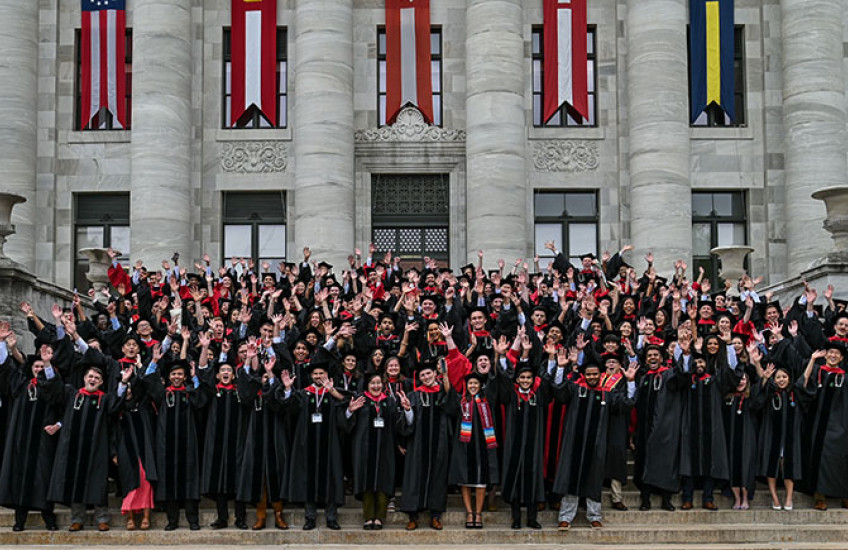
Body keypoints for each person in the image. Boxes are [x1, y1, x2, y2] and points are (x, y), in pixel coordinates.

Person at [552, 350, 638, 530]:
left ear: (601, 376)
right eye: (589, 374)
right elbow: (559, 392)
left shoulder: (607, 394)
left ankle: (594, 516)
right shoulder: (576, 389)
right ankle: (566, 517)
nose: (592, 377)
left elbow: (626, 404)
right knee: (571, 478)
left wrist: (630, 381)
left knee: (594, 479)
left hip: (596, 446)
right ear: (584, 376)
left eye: (595, 374)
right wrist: (560, 367)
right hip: (574, 444)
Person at [0, 341, 63, 531]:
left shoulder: (51, 385)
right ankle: (19, 520)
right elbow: (6, 370)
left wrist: (47, 364)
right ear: (30, 368)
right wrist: (3, 344)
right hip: (22, 440)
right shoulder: (22, 384)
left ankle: (48, 517)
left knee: (43, 478)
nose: (39, 369)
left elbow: (56, 392)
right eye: (36, 366)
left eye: (41, 366)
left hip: (43, 441)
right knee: (20, 477)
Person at [277, 361, 346, 530]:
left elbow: (347, 405)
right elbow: (289, 409)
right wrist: (287, 389)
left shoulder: (331, 393)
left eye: (321, 373)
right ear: (311, 376)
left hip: (329, 443)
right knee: (308, 477)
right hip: (306, 442)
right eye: (315, 374)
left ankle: (331, 517)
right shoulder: (303, 394)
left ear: (327, 376)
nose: (318, 376)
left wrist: (333, 391)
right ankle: (310, 517)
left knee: (330, 477)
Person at [342, 372, 413, 529]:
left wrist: (407, 410)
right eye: (372, 383)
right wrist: (350, 411)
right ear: (367, 385)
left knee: (383, 481)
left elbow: (398, 425)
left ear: (383, 384)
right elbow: (347, 426)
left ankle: (379, 517)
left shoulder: (389, 402)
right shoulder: (361, 400)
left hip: (385, 448)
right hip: (364, 448)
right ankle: (368, 517)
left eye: (379, 383)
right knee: (367, 482)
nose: (376, 386)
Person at [48, 365, 114, 532]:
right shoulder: (73, 395)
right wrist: (48, 365)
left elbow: (116, 410)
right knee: (75, 481)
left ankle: (102, 519)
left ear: (101, 382)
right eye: (90, 376)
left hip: (96, 449)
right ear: (84, 378)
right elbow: (55, 388)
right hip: (74, 449)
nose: (92, 380)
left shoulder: (104, 399)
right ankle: (77, 519)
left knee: (98, 483)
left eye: (96, 378)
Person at [398, 358, 456, 531]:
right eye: (422, 375)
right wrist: (408, 409)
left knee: (438, 477)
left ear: (435, 374)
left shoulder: (443, 393)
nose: (425, 377)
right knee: (414, 477)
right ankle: (412, 516)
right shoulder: (414, 395)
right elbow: (406, 424)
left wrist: (446, 377)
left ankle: (435, 515)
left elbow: (453, 408)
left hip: (439, 444)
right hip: (417, 445)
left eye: (428, 373)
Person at [149, 359, 208, 530]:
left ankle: (193, 520)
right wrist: (153, 362)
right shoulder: (163, 394)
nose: (177, 376)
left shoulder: (189, 393)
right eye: (174, 374)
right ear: (169, 376)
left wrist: (195, 376)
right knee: (169, 481)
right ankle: (172, 520)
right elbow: (148, 383)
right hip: (166, 446)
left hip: (188, 444)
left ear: (184, 377)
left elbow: (201, 400)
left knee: (189, 480)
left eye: (180, 374)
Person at [633, 343, 685, 511]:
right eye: (649, 356)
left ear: (662, 358)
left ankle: (666, 498)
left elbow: (682, 376)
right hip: (645, 427)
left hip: (665, 427)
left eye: (656, 355)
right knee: (645, 461)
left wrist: (682, 353)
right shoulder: (643, 378)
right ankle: (645, 498)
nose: (653, 358)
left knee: (665, 461)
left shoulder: (669, 375)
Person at [799, 341, 848, 510]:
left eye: (837, 354)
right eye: (830, 352)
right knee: (818, 458)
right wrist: (812, 360)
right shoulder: (818, 372)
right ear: (825, 354)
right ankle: (819, 496)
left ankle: (844, 495)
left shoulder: (844, 377)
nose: (833, 355)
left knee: (839, 459)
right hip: (816, 424)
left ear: (841, 358)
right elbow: (803, 385)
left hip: (839, 425)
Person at [756, 363, 802, 511]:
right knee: (772, 465)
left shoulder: (794, 394)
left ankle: (789, 498)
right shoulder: (770, 394)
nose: (781, 380)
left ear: (789, 378)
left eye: (784, 377)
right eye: (778, 377)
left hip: (789, 437)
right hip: (772, 435)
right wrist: (764, 376)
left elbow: (806, 380)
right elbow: (756, 401)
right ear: (774, 380)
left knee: (788, 465)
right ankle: (775, 497)